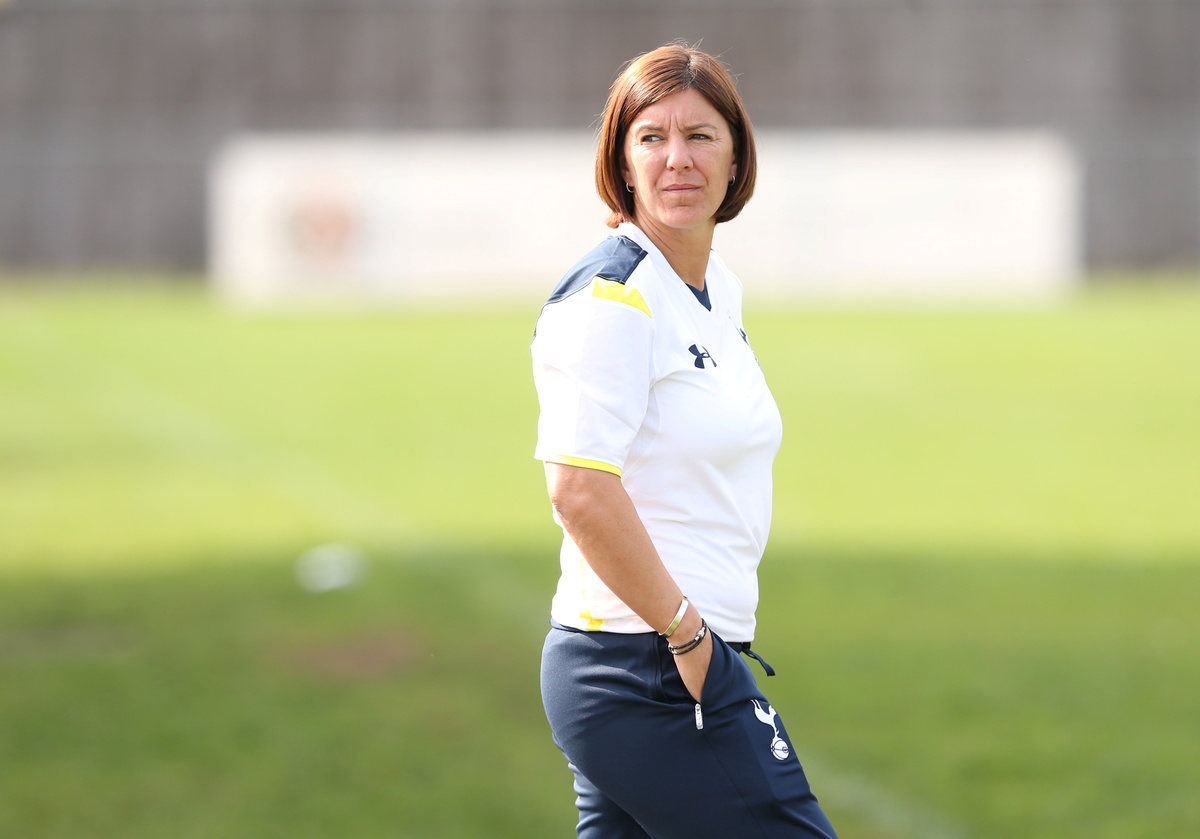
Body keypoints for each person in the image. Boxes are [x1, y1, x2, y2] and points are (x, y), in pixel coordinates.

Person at [531, 42, 838, 839]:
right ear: (622, 161)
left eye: (701, 136)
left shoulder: (713, 287)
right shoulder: (612, 295)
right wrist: (688, 635)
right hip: (641, 666)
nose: (678, 158)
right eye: (652, 137)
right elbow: (578, 488)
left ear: (736, 159)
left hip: (673, 657)